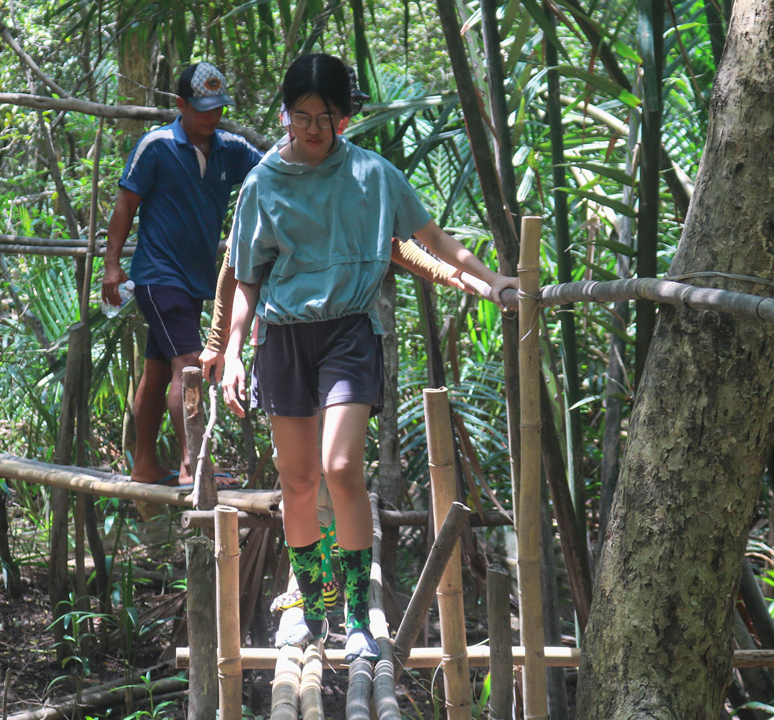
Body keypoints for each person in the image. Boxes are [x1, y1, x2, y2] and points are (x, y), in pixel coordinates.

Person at [216, 53, 519, 661]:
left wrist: (494, 281)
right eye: (298, 117)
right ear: (284, 114)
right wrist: (230, 353)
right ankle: (311, 607)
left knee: (340, 465)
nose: (307, 130)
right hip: (284, 337)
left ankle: (357, 617)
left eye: (322, 119)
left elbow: (434, 241)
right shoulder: (262, 183)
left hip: (351, 331)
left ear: (345, 119)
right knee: (298, 480)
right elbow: (245, 278)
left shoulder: (373, 176)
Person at [102, 61, 262, 488]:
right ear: (181, 104)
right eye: (202, 107)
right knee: (189, 365)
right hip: (158, 276)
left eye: (217, 108)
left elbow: (274, 173)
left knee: (158, 371)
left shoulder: (232, 148)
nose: (211, 116)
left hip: (194, 283)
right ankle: (194, 465)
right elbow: (124, 206)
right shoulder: (155, 146)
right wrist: (112, 265)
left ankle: (145, 465)